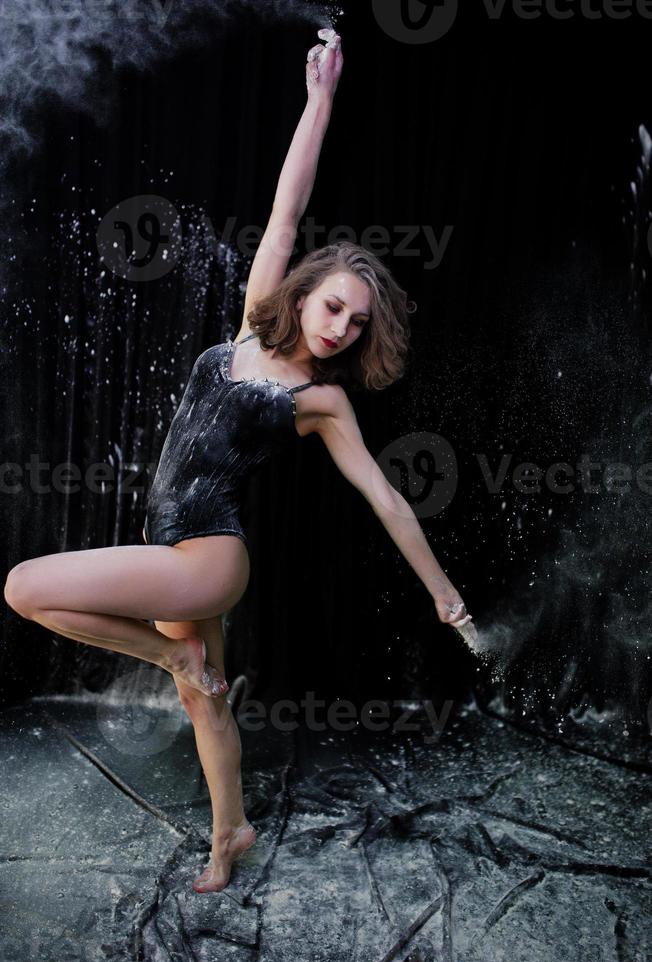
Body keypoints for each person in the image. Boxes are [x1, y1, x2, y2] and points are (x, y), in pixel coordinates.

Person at [4, 30, 473, 893]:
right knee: (205, 698)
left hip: (209, 558)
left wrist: (443, 591)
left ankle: (176, 660)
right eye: (335, 307)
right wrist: (320, 101)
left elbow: (385, 497)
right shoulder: (258, 319)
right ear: (308, 291)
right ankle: (233, 833)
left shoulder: (321, 402)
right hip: (172, 543)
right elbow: (289, 209)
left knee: (24, 588)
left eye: (357, 324)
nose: (341, 327)